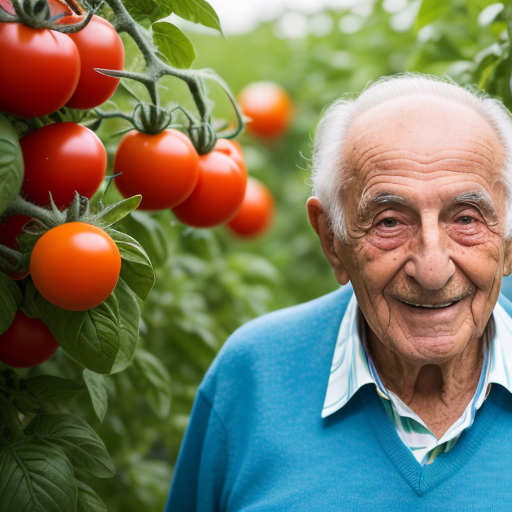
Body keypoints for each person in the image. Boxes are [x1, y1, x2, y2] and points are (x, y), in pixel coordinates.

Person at [164, 73, 512, 511]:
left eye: (466, 219)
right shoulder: (252, 375)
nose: (432, 269)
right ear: (332, 240)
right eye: (389, 221)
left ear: (508, 245)